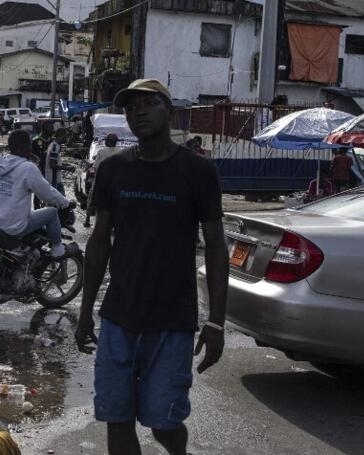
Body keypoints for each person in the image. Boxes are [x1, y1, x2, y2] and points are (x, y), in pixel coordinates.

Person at [74, 78, 229, 455]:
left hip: (172, 321)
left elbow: (216, 247)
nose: (138, 112)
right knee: (117, 419)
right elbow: (99, 243)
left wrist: (215, 322)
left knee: (164, 423)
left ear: (169, 111)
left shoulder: (197, 172)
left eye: (148, 103)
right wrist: (84, 311)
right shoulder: (113, 171)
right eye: (130, 107)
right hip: (119, 317)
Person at [0, 129, 73, 258]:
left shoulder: (0, 165)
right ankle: (58, 250)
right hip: (11, 226)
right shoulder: (27, 168)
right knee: (52, 212)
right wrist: (66, 203)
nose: (31, 148)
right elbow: (48, 193)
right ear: (24, 147)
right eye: (29, 145)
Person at [84, 133, 124, 228]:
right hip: (116, 183)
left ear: (108, 141)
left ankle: (87, 220)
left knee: (91, 198)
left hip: (101, 183)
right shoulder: (121, 152)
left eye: (106, 140)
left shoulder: (102, 152)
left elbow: (96, 166)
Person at [32, 121, 55, 209]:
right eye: (50, 128)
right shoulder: (36, 140)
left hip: (51, 170)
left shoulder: (53, 141)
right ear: (44, 128)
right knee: (38, 192)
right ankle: (36, 210)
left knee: (51, 190)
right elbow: (33, 157)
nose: (52, 130)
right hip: (40, 169)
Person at [44, 128, 69, 194]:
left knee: (62, 201)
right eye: (66, 136)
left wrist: (63, 165)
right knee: (56, 202)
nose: (67, 138)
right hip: (53, 180)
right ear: (61, 135)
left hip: (57, 179)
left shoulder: (55, 145)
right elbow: (52, 165)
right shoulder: (55, 147)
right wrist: (67, 168)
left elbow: (54, 161)